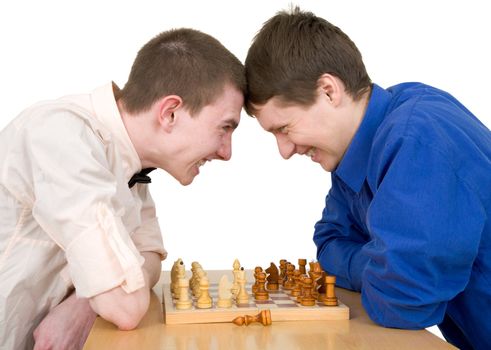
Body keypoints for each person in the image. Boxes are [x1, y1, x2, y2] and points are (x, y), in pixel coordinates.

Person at [244, 7, 490, 350]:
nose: (284, 151)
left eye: (284, 128)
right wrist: (380, 262)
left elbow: (402, 301)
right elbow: (329, 243)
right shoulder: (353, 153)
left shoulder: (416, 137)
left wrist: (375, 266)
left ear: (329, 91)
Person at [0, 28, 245, 350]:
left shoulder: (131, 164)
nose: (226, 152)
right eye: (225, 127)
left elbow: (150, 257)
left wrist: (81, 306)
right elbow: (125, 307)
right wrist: (103, 295)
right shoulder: (62, 136)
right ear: (170, 113)